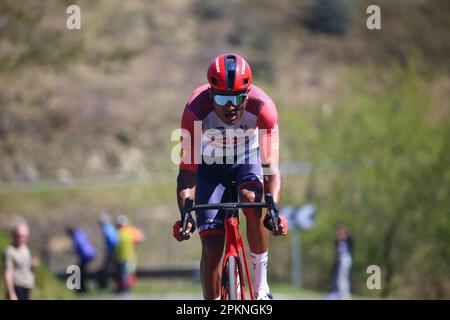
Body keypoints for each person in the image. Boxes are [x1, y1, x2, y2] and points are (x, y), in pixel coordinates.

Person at [172, 53, 288, 300]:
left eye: (237, 97)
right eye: (223, 98)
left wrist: (275, 210)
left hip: (248, 159)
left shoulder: (264, 108)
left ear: (247, 94)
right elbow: (187, 173)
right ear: (211, 93)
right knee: (212, 246)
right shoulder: (195, 109)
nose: (230, 106)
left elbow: (271, 168)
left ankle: (261, 288)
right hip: (209, 166)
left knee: (251, 198)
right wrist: (185, 215)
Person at [3, 223, 38, 300]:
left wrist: (32, 265)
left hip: (27, 285)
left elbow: (25, 266)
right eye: (19, 236)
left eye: (24, 236)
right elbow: (8, 272)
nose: (21, 239)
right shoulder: (10, 251)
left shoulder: (25, 248)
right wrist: (12, 294)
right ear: (13, 235)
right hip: (17, 286)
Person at [114, 215, 144, 294]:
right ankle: (126, 288)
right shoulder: (129, 230)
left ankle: (126, 288)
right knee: (126, 273)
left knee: (125, 273)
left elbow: (140, 237)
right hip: (127, 255)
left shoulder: (120, 232)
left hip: (125, 255)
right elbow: (140, 238)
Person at [66, 226, 97, 292]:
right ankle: (83, 287)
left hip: (86, 255)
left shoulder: (76, 236)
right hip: (90, 254)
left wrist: (71, 251)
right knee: (81, 271)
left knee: (79, 271)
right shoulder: (80, 234)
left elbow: (80, 248)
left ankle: (82, 288)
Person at [327, 224, 353, 300]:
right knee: (341, 277)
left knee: (343, 277)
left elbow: (350, 246)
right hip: (341, 260)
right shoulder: (337, 241)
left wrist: (344, 236)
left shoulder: (349, 240)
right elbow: (337, 251)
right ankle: (343, 294)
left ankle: (344, 294)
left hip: (346, 259)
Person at [97, 213, 119, 289]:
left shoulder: (106, 228)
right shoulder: (110, 227)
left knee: (108, 268)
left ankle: (104, 284)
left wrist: (110, 251)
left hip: (111, 251)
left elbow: (112, 241)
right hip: (112, 251)